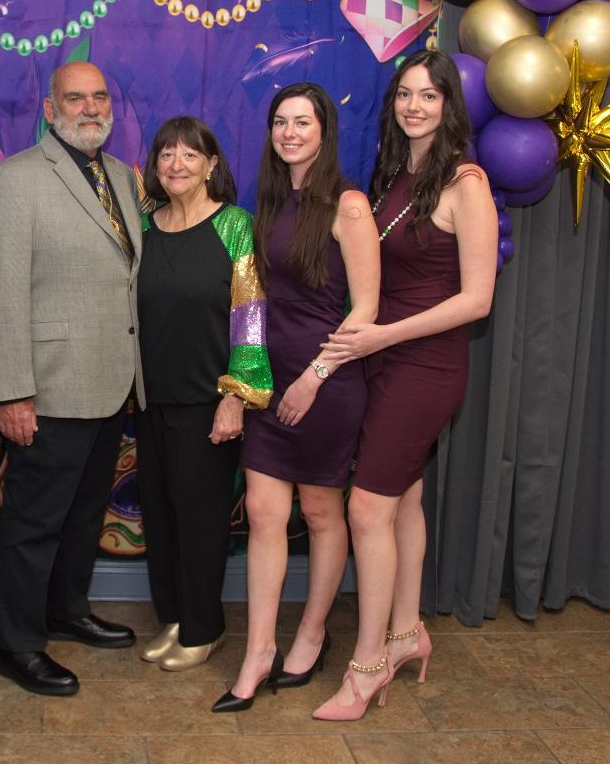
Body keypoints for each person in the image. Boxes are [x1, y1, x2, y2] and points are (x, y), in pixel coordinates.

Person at [314, 50, 497, 720]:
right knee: (404, 501)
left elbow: (477, 300)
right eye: (405, 95)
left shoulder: (467, 183)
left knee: (367, 509)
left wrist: (382, 337)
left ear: (451, 104)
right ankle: (406, 632)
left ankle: (366, 669)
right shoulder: (398, 174)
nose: (415, 107)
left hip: (427, 365)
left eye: (429, 96)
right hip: (384, 357)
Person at [212, 84, 380, 712]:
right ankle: (259, 650)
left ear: (324, 129)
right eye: (280, 121)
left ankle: (312, 632)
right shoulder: (268, 203)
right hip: (268, 383)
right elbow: (251, 304)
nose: (289, 132)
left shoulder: (349, 205)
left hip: (325, 384)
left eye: (301, 122)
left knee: (319, 513)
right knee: (261, 511)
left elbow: (366, 309)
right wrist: (248, 380)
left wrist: (313, 378)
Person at [0, 61, 144, 696]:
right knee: (34, 521)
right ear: (50, 111)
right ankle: (16, 644)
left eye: (100, 95)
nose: (90, 107)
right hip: (48, 385)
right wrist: (14, 390)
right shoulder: (16, 180)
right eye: (75, 98)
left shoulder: (123, 179)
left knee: (82, 515)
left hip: (111, 380)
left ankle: (65, 610)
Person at [135, 116, 272, 673]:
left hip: (207, 401)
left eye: (190, 154)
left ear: (212, 165)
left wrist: (236, 395)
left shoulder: (235, 226)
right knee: (161, 515)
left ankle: (204, 627)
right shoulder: (143, 226)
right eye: (166, 154)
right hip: (148, 399)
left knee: (199, 517)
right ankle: (174, 616)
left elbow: (251, 318)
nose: (177, 164)